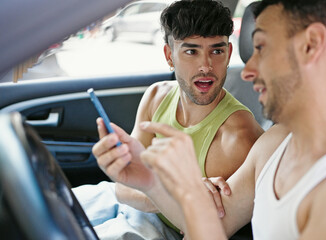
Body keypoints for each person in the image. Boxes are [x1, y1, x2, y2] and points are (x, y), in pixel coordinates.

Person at [97, 0, 326, 239]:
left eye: (262, 47)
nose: (248, 69)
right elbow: (213, 229)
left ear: (311, 46)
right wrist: (150, 181)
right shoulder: (274, 145)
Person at [74, 0, 263, 239]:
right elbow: (123, 188)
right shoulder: (156, 95)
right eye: (191, 51)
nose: (206, 66)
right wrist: (170, 192)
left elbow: (194, 225)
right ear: (169, 55)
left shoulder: (237, 138)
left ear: (228, 54)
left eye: (217, 50)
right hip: (123, 205)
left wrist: (151, 190)